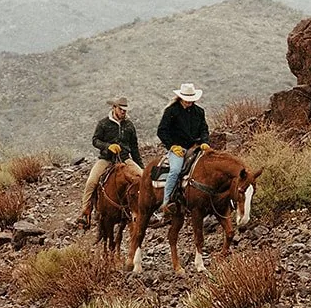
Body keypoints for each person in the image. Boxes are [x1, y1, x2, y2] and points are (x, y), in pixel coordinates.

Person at [77, 96, 143, 227]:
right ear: (114, 108)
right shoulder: (103, 123)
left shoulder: (129, 125)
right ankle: (85, 212)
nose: (123, 112)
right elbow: (95, 140)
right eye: (121, 109)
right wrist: (108, 147)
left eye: (125, 110)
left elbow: (134, 148)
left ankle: (148, 210)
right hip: (106, 159)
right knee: (91, 181)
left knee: (142, 178)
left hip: (125, 159)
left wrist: (141, 166)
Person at [157, 83, 211, 214]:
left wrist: (204, 142)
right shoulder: (171, 111)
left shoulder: (199, 112)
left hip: (195, 147)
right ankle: (167, 201)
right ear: (181, 98)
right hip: (178, 148)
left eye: (191, 99)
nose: (189, 102)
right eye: (187, 99)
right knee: (175, 170)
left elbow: (204, 129)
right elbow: (162, 131)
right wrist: (172, 146)